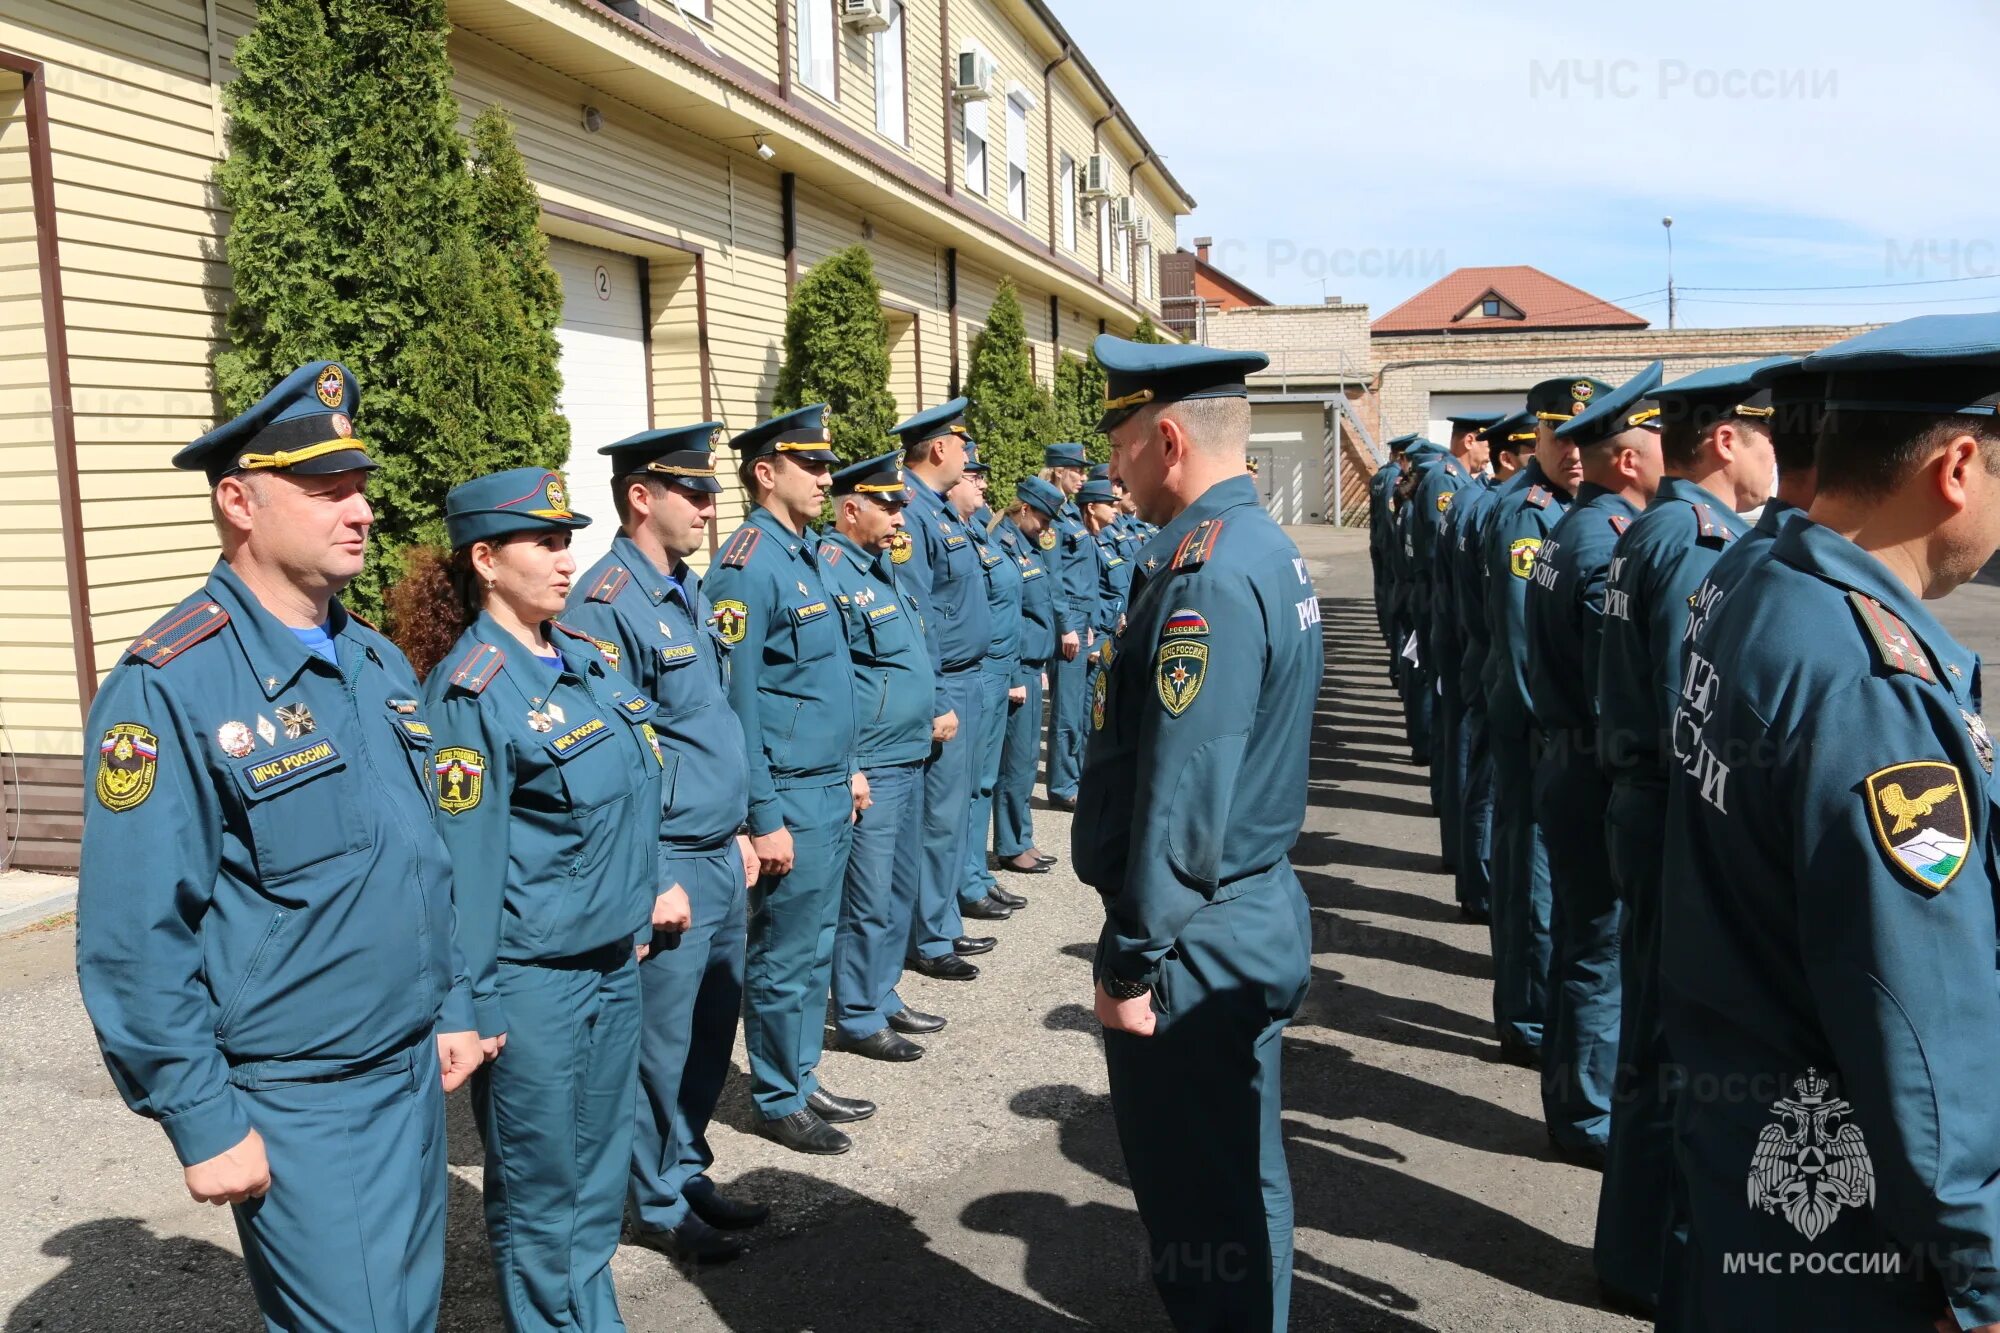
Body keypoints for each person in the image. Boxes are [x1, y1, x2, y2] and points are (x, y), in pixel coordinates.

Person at [75, 361, 481, 1333]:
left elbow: (419, 855)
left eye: (362, 487)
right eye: (326, 489)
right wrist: (202, 1116)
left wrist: (452, 999)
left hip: (409, 1071)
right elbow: (134, 931)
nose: (362, 511)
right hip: (304, 1100)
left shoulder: (374, 658)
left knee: (406, 1316)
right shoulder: (173, 682)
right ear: (238, 501)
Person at [1661, 315, 2000, 1330]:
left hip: (1740, 1133)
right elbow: (1914, 1009)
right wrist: (1978, 1270)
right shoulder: (1868, 684)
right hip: (1844, 1208)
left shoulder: (1749, 580)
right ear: (1955, 466)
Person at [1078, 334, 1323, 1331]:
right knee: (1239, 1178)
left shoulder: (1204, 576)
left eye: (1119, 441)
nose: (1110, 466)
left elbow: (1182, 804)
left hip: (1196, 940)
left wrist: (1129, 966)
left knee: (1197, 1205)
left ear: (1167, 437)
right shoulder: (1256, 544)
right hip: (1241, 912)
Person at [423, 467, 659, 1331]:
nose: (565, 561)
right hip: (532, 983)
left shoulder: (584, 661)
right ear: (485, 559)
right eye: (544, 543)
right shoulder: (472, 691)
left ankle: (591, 1318)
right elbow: (464, 865)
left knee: (598, 1176)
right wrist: (469, 1000)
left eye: (568, 541)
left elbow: (627, 799)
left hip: (610, 962)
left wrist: (633, 907)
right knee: (539, 1183)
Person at [1591, 358, 1781, 1314]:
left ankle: (1629, 1247)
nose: (1777, 457)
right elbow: (1689, 714)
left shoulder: (1653, 529)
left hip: (1636, 802)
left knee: (1648, 1039)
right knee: (1674, 1048)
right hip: (1670, 814)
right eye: (1768, 434)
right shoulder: (1700, 541)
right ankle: (1658, 1264)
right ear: (1726, 439)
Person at [561, 423, 764, 1265]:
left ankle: (684, 1166)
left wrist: (745, 825)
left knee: (713, 1026)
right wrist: (645, 876)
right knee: (660, 1042)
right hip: (672, 855)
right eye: (695, 491)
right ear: (642, 496)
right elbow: (613, 756)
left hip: (718, 847)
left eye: (713, 490)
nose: (712, 507)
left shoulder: (683, 588)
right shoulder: (606, 600)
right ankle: (651, 1197)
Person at [705, 404, 874, 1154]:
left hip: (827, 781)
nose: (826, 477)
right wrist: (760, 812)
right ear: (765, 472)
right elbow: (736, 703)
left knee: (816, 942)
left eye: (827, 464)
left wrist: (851, 768)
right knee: (781, 950)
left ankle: (800, 1072)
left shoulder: (805, 551)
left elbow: (822, 681)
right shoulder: (747, 564)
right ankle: (776, 1093)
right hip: (787, 792)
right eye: (811, 464)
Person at [1525, 364, 1665, 1171]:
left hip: (1565, 758)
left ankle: (1573, 1099)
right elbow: (1613, 687)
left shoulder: (1573, 531)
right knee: (1597, 950)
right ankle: (1586, 1112)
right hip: (1589, 767)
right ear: (1624, 459)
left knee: (1583, 941)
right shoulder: (1600, 543)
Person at [1481, 376, 1612, 1066]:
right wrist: (1555, 731)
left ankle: (1533, 1005)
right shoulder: (1531, 513)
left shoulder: (1570, 507)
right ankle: (1528, 1017)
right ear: (1538, 435)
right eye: (1563, 436)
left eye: (1588, 436)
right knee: (1531, 877)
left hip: (1550, 727)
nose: (1575, 452)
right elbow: (1524, 639)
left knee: (1539, 871)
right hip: (1534, 727)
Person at [818, 451, 948, 1064]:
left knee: (899, 886)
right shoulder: (830, 571)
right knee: (865, 896)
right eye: (888, 506)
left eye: (901, 506)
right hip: (873, 757)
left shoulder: (880, 569)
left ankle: (881, 989)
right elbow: (833, 679)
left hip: (908, 750)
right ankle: (858, 1011)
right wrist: (850, 765)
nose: (900, 517)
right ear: (851, 509)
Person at [891, 398, 1002, 978]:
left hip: (970, 676)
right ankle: (928, 938)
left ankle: (943, 923)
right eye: (962, 444)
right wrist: (935, 697)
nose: (969, 456)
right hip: (946, 683)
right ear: (939, 449)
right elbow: (918, 614)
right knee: (935, 818)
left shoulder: (941, 511)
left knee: (953, 814)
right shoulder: (912, 512)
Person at [1445, 412, 1531, 923]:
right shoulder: (1504, 510)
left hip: (1478, 654)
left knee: (1481, 778)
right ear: (1508, 457)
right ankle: (1479, 884)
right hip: (1493, 661)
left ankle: (1477, 877)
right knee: (1489, 785)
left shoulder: (1478, 503)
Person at [953, 449, 1031, 917]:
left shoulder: (974, 531)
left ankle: (976, 873)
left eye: (983, 476)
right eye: (973, 476)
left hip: (997, 666)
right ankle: (965, 879)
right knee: (968, 785)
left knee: (983, 782)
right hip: (977, 672)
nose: (983, 484)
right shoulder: (952, 532)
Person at [1415, 415, 1496, 864]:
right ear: (1471, 440)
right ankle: (1465, 854)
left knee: (1460, 740)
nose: (1490, 448)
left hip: (1447, 617)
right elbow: (1435, 555)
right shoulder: (1449, 483)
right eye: (1487, 440)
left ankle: (1461, 846)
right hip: (1445, 616)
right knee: (1461, 741)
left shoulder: (1462, 484)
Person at [993, 478, 1064, 877]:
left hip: (1033, 666)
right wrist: (1016, 671)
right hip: (1018, 667)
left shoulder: (1027, 547)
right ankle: (1010, 843)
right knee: (1015, 763)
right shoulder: (1004, 548)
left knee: (1021, 766)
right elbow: (1008, 618)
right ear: (1023, 510)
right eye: (1042, 518)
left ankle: (1022, 838)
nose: (1046, 527)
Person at [1043, 440, 1097, 809]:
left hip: (1083, 615)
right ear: (1059, 470)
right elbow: (1053, 576)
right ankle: (1063, 785)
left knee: (1079, 707)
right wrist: (1066, 625)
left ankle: (1075, 774)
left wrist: (1088, 620)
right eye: (1076, 471)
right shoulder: (1052, 516)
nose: (1082, 477)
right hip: (1069, 617)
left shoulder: (1069, 513)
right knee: (1066, 707)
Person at [1078, 473, 1134, 746]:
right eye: (1108, 504)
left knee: (1104, 705)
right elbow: (1088, 593)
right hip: (1096, 634)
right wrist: (1095, 638)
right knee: (1091, 708)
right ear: (1091, 507)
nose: (1115, 508)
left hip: (1111, 628)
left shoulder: (1100, 539)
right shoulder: (1088, 543)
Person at [1369, 440, 1407, 651]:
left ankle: (1387, 629)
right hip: (1391, 544)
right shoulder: (1395, 478)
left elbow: (1374, 515)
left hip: (1378, 540)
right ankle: (1393, 636)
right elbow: (1392, 514)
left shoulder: (1379, 476)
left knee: (1382, 590)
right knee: (1393, 593)